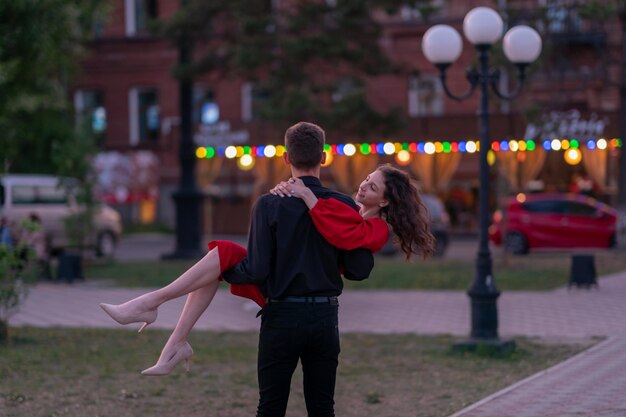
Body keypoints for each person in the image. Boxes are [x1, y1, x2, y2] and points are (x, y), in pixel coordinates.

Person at [100, 123, 433, 414]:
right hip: (323, 320)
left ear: (286, 158)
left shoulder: (271, 203)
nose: (364, 186)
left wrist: (226, 269)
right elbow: (359, 269)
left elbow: (257, 271)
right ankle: (167, 329)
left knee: (269, 409)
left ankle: (157, 312)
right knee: (323, 409)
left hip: (283, 318)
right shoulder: (343, 205)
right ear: (324, 158)